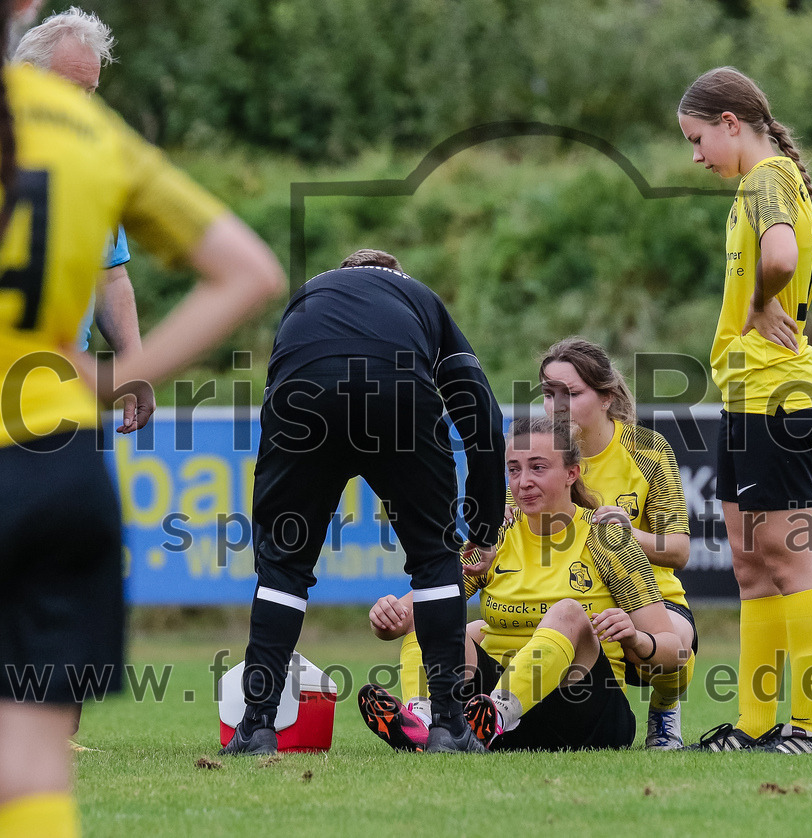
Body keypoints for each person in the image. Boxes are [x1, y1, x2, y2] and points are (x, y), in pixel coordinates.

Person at [0, 0, 285, 832]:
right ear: (22, 17)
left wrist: (125, 370)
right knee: (31, 767)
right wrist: (115, 373)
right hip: (53, 455)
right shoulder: (88, 141)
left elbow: (116, 277)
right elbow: (247, 271)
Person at [220, 248, 507, 757]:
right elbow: (479, 412)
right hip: (397, 395)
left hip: (302, 402)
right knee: (435, 560)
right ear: (397, 278)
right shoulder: (419, 297)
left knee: (283, 568)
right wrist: (482, 525)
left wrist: (272, 523)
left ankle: (257, 726)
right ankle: (447, 727)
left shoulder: (308, 297)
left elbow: (274, 402)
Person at [676, 67, 812, 754]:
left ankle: (809, 725)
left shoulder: (766, 177)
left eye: (698, 137)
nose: (696, 154)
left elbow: (780, 254)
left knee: (787, 556)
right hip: (747, 396)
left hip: (779, 395)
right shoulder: (766, 180)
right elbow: (807, 263)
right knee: (749, 562)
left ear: (731, 123)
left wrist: (764, 300)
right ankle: (754, 721)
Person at [361, 416, 687, 752]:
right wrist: (389, 617)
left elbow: (673, 653)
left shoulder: (605, 536)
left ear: (571, 473)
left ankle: (495, 716)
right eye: (514, 470)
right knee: (433, 613)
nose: (523, 482)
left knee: (568, 614)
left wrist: (636, 638)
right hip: (501, 718)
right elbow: (426, 601)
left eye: (538, 468)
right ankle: (425, 723)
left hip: (584, 713)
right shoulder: (496, 534)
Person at [533, 337, 696, 749]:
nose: (557, 407)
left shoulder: (647, 450)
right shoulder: (539, 454)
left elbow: (678, 551)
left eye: (571, 394)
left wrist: (629, 532)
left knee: (677, 648)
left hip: (650, 599)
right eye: (548, 395)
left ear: (606, 397)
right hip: (566, 599)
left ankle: (664, 709)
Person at [14, 6, 153, 434]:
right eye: (68, 89)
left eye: (90, 91)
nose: (81, 106)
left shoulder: (95, 163)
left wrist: (135, 367)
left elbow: (110, 276)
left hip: (64, 393)